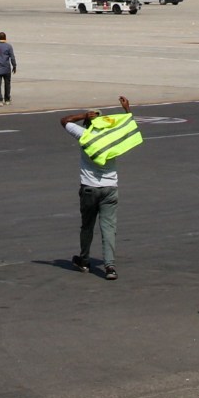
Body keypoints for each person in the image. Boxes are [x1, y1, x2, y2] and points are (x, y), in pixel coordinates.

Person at [59, 95, 142, 279]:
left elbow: (64, 121)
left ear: (87, 123)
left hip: (89, 188)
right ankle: (110, 266)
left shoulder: (84, 135)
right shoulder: (112, 137)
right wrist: (127, 109)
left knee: (87, 226)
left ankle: (84, 260)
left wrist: (83, 115)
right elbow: (130, 127)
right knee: (109, 229)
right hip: (110, 188)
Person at [0, 31, 17, 104]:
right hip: (6, 68)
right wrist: (14, 66)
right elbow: (12, 57)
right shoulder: (8, 46)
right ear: (5, 38)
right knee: (7, 84)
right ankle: (7, 99)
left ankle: (0, 100)